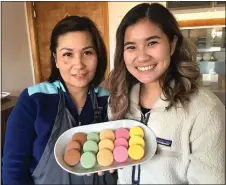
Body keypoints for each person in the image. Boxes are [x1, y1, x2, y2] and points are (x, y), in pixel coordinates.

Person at [108, 3, 225, 184]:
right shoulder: (118, 99)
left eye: (152, 43)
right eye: (131, 47)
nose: (142, 57)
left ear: (172, 44)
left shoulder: (205, 109)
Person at [2, 16, 116, 184]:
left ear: (98, 56)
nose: (79, 64)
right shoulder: (34, 100)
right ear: (55, 59)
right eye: (68, 54)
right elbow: (13, 168)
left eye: (87, 52)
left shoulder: (108, 100)